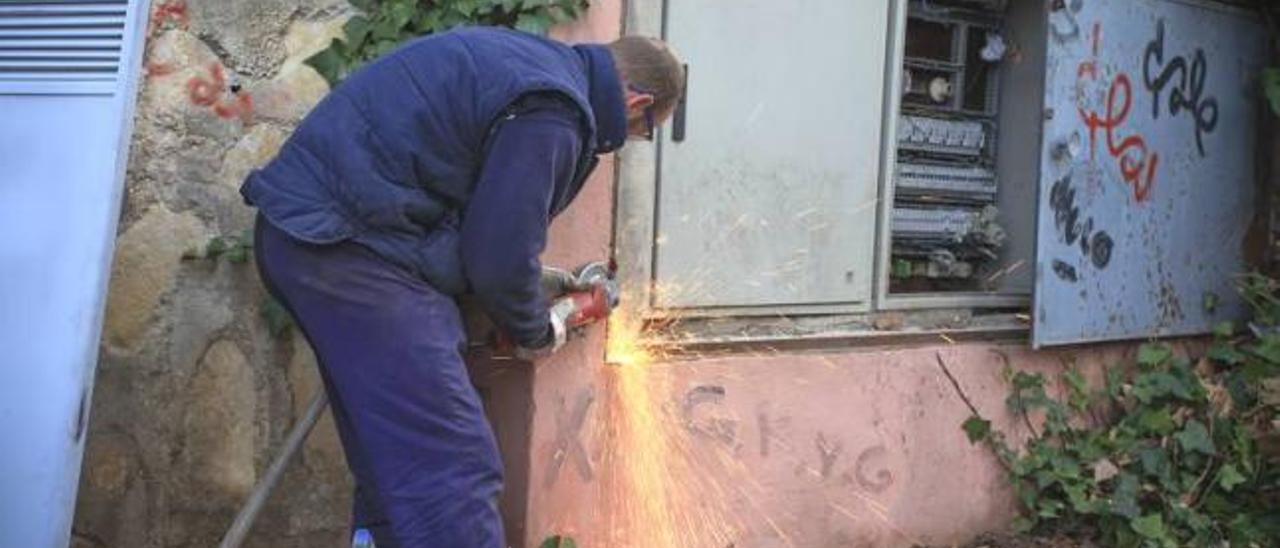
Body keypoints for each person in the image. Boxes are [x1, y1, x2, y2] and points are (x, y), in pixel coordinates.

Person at [241, 26, 684, 548]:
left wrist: (529, 284)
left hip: (316, 238)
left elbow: (473, 224)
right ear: (638, 102)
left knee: (395, 472)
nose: (633, 137)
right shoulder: (556, 111)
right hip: (351, 252)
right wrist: (537, 329)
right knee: (453, 470)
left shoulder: (534, 66)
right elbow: (496, 255)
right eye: (644, 129)